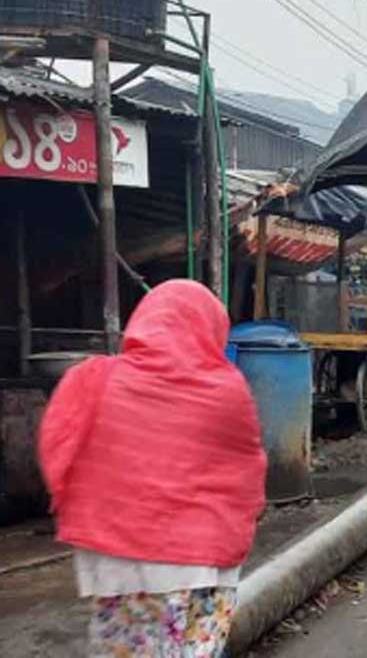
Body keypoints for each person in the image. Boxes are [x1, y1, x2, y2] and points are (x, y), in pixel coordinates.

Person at [38, 280, 266, 657]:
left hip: (113, 561)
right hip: (197, 562)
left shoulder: (93, 379)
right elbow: (246, 473)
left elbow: (57, 447)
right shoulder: (226, 391)